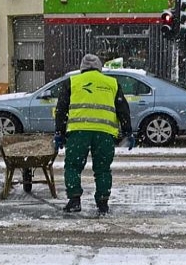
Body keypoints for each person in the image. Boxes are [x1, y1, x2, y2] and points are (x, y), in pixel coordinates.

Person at [54, 53, 135, 215]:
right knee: (103, 169)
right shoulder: (112, 83)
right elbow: (123, 109)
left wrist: (59, 133)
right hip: (104, 134)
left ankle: (75, 200)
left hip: (78, 133)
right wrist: (128, 132)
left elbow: (61, 110)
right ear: (99, 67)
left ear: (82, 68)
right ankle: (103, 203)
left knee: (73, 167)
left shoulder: (72, 82)